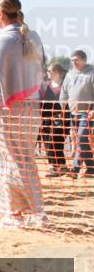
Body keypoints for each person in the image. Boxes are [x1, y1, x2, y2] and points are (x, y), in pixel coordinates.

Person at [0, 0, 47, 229]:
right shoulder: (33, 35)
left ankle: (14, 214)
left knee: (6, 160)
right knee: (24, 159)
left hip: (7, 107)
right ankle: (35, 211)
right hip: (31, 104)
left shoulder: (4, 39)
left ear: (0, 14)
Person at [60, 49, 94, 177]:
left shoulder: (91, 73)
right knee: (82, 140)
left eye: (77, 60)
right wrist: (62, 105)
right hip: (72, 112)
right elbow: (64, 92)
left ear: (84, 60)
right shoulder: (69, 74)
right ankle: (91, 167)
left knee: (80, 138)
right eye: (72, 60)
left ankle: (75, 169)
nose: (74, 63)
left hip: (87, 112)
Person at [41, 63, 69, 177]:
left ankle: (60, 167)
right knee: (47, 142)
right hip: (46, 118)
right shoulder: (46, 84)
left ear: (57, 72)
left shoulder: (64, 85)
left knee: (56, 142)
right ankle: (54, 166)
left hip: (60, 118)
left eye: (50, 71)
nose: (48, 73)